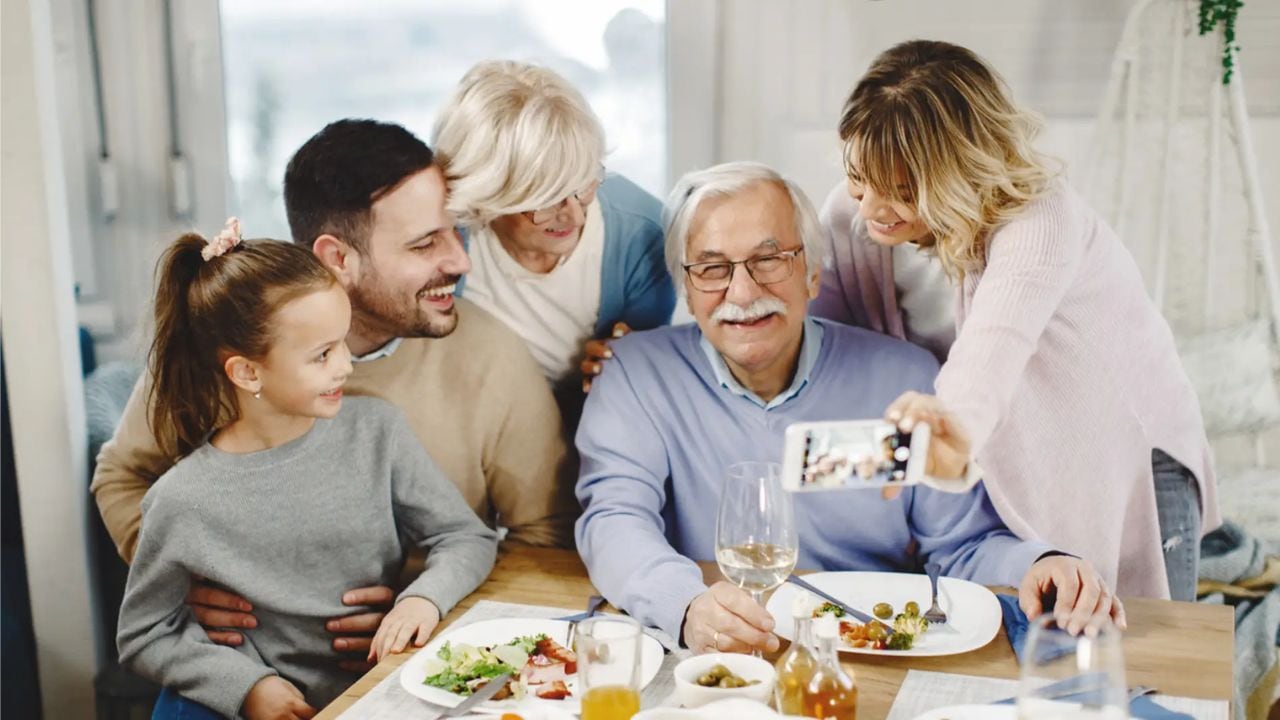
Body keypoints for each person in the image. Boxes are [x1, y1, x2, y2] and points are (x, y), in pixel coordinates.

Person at [576, 162, 1123, 655]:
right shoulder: (633, 373)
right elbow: (613, 519)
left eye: (769, 260)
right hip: (726, 655)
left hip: (872, 653)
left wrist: (1040, 564)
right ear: (687, 289)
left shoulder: (904, 377)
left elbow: (961, 546)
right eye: (712, 268)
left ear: (814, 273)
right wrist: (685, 606)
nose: (741, 293)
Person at [92, 119, 572, 669]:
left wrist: (426, 606)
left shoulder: (490, 354)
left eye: (455, 232)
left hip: (412, 658)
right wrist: (189, 586)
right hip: (243, 666)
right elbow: (123, 478)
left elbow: (544, 538)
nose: (460, 262)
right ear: (337, 258)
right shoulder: (224, 345)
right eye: (424, 244)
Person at [812, 40, 1218, 600]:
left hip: (1130, 453)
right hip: (1006, 458)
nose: (871, 209)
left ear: (960, 173)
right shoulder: (848, 216)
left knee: (1152, 654)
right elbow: (816, 342)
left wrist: (948, 420)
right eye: (859, 176)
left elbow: (994, 345)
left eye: (903, 191)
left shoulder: (1039, 218)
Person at [117, 224, 497, 719]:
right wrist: (248, 688)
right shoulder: (181, 499)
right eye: (322, 354)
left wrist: (422, 601)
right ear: (247, 372)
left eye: (341, 344)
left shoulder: (378, 432)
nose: (346, 367)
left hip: (377, 691)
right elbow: (145, 633)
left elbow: (467, 537)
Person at [432, 60, 674, 405]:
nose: (575, 214)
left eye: (583, 183)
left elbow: (646, 379)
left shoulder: (643, 236)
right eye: (546, 199)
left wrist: (624, 365)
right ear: (486, 198)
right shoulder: (442, 233)